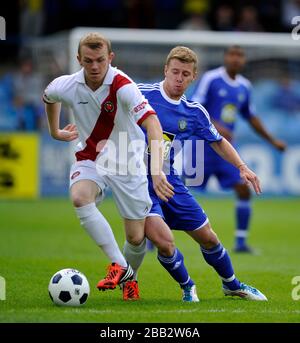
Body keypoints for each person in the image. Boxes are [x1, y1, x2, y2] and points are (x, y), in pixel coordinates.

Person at [122, 46, 267, 301]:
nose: (179, 78)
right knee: (164, 242)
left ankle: (231, 284)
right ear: (165, 70)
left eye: (185, 74)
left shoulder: (194, 112)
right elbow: (107, 108)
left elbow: (218, 141)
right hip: (137, 181)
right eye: (175, 71)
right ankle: (188, 287)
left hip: (169, 180)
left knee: (208, 237)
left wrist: (242, 167)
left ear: (193, 77)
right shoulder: (140, 95)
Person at [43, 32, 174, 294]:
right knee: (80, 197)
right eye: (88, 60)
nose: (94, 66)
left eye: (100, 60)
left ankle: (130, 277)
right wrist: (54, 131)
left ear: (110, 58)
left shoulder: (123, 86)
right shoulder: (66, 85)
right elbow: (48, 97)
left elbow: (153, 124)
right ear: (78, 58)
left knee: (136, 237)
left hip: (128, 162)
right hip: (91, 157)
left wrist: (157, 169)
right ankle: (119, 264)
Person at [190, 45, 286, 253]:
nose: (235, 59)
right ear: (225, 58)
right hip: (203, 147)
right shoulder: (211, 79)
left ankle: (241, 242)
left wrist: (272, 141)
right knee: (176, 190)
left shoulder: (244, 86)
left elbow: (251, 116)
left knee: (243, 190)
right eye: (232, 55)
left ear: (243, 61)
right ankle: (155, 238)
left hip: (225, 151)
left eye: (239, 56)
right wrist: (217, 126)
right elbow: (195, 106)